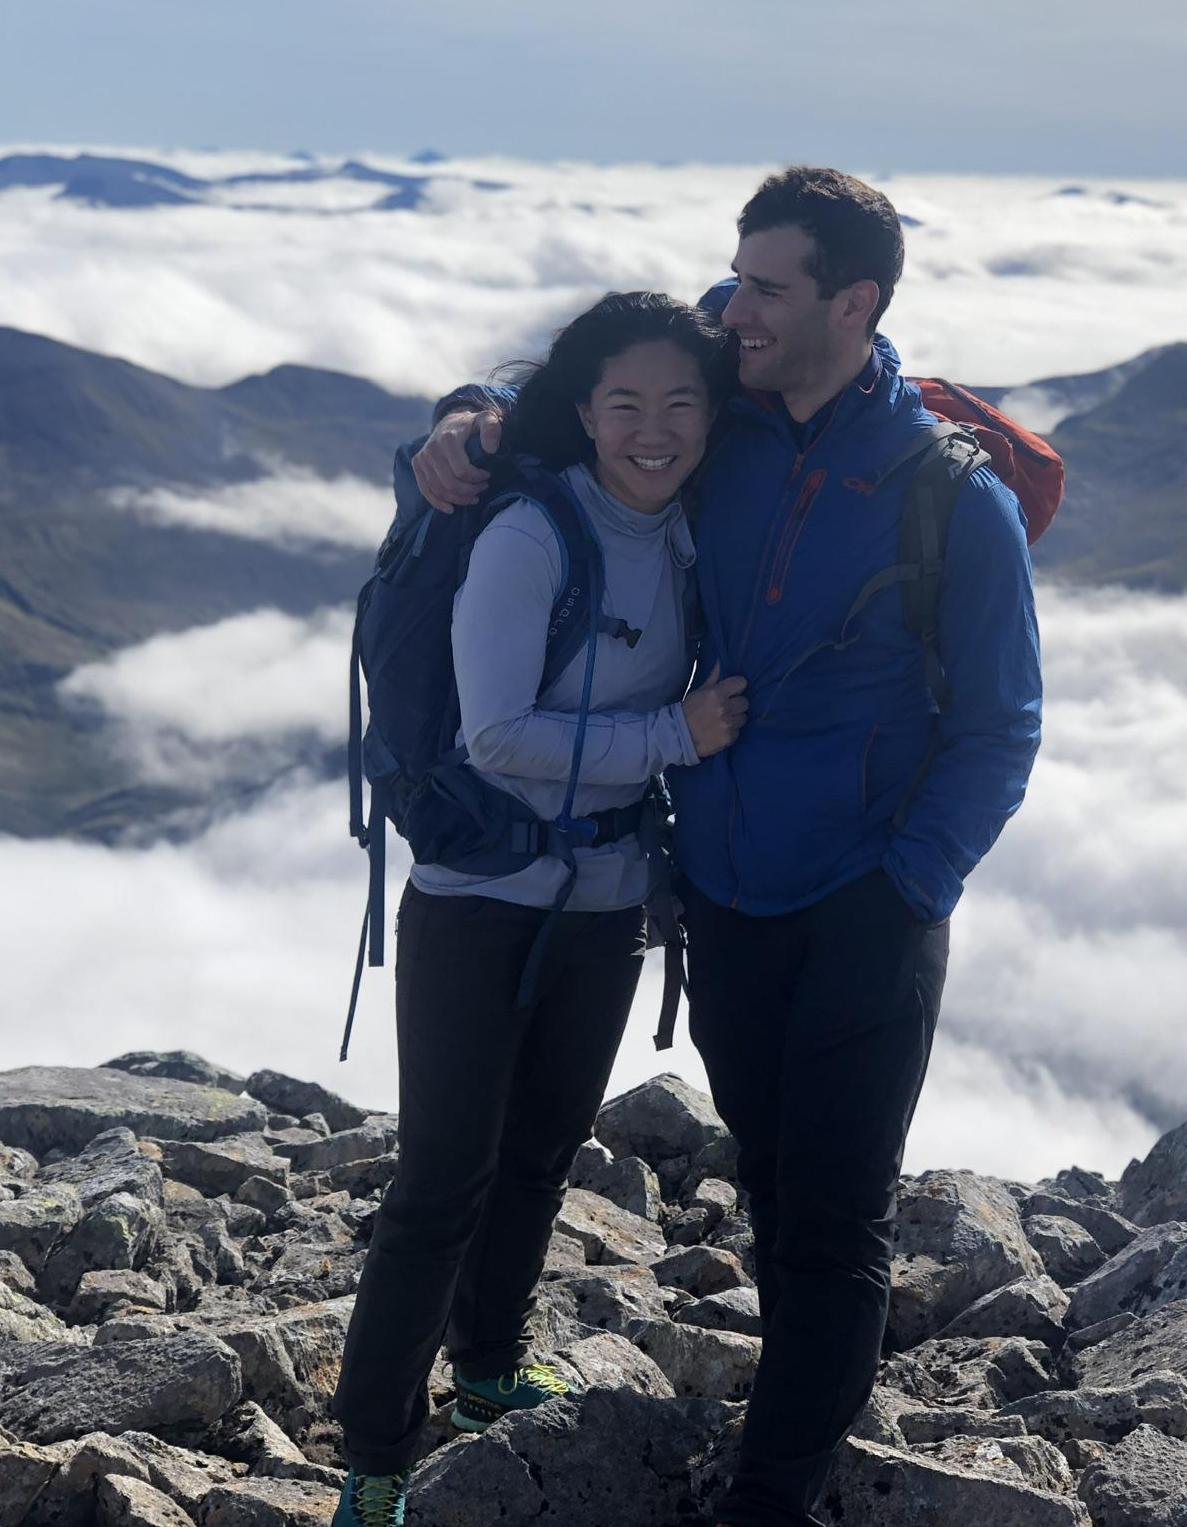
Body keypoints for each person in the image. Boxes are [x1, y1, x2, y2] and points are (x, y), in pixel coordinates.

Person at [411, 166, 1043, 1527]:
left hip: (867, 899)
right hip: (723, 892)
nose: (734, 306)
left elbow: (1002, 726)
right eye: (735, 277)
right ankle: (788, 1421)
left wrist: (908, 882)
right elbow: (591, 387)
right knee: (767, 1180)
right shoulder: (730, 407)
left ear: (852, 302)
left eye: (765, 286)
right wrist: (459, 424)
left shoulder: (950, 498)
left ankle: (768, 1493)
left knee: (832, 1212)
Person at [330, 292, 748, 1527]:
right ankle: (374, 1452)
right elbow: (495, 733)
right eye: (625, 403)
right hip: (477, 900)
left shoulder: (680, 530)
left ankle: (490, 1370)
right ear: (583, 411)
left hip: (606, 895)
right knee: (443, 1176)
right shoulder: (529, 532)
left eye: (681, 403)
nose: (655, 428)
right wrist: (677, 732)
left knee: (539, 1156)